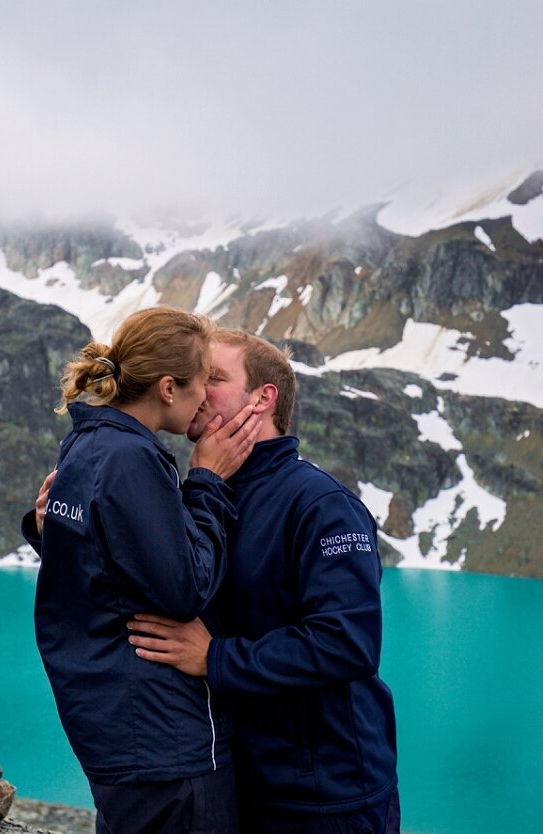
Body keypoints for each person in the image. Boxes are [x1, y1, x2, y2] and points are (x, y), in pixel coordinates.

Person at [125, 329, 400, 834]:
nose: (196, 388)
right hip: (235, 784)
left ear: (262, 398)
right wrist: (53, 530)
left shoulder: (321, 506)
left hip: (326, 800)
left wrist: (215, 657)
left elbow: (347, 643)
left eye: (215, 378)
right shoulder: (199, 496)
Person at [20, 307, 262, 834]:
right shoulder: (132, 457)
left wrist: (42, 530)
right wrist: (207, 482)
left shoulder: (86, 442)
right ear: (169, 388)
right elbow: (186, 590)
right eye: (202, 382)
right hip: (163, 742)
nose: (205, 397)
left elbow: (97, 560)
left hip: (113, 730)